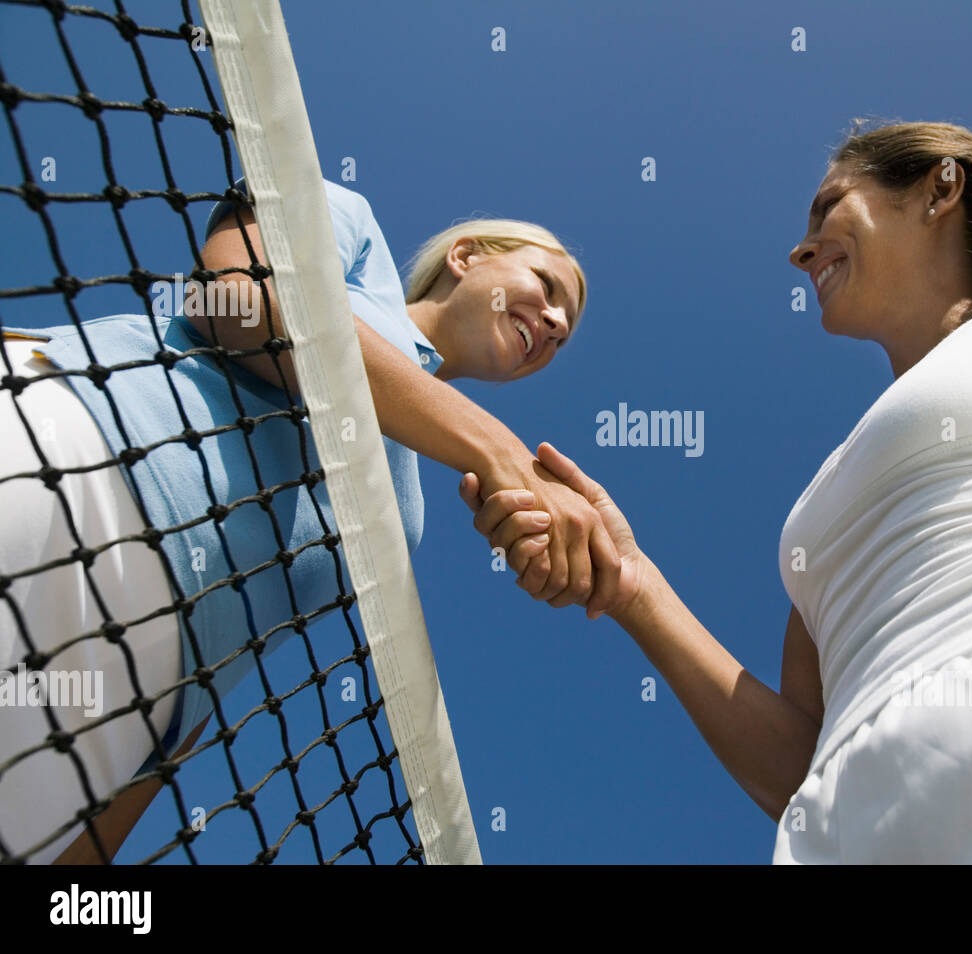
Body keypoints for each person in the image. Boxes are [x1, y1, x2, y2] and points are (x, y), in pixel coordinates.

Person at [461, 120, 972, 863]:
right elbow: (802, 762)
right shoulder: (827, 500)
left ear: (939, 187)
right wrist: (635, 585)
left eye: (828, 206)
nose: (801, 247)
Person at [0, 178, 619, 863]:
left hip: (123, 715)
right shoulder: (358, 238)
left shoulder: (404, 511)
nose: (558, 324)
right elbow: (234, 296)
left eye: (566, 334)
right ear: (467, 257)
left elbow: (237, 649)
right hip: (62, 453)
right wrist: (495, 448)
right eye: (548, 285)